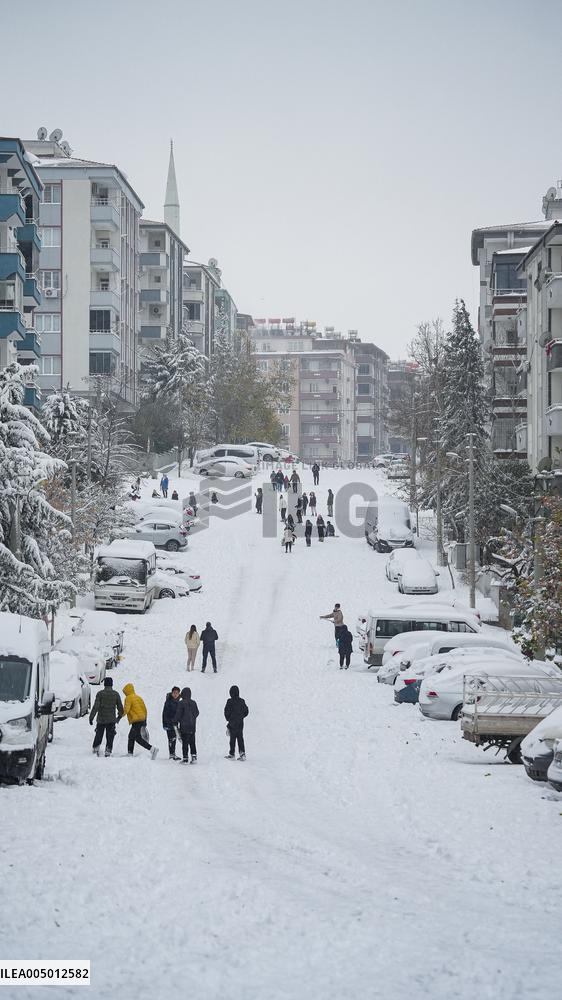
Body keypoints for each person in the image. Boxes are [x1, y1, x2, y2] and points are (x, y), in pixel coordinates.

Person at [121, 683, 159, 758]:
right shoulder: (139, 697)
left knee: (134, 737)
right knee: (134, 737)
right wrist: (145, 721)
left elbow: (126, 709)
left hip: (136, 721)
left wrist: (119, 716)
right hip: (142, 720)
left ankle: (151, 749)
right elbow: (145, 709)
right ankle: (131, 753)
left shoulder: (128, 698)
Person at [89, 676, 123, 757]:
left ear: (104, 684)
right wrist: (118, 718)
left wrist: (91, 717)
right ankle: (108, 750)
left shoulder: (100, 694)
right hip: (111, 720)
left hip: (101, 719)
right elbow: (121, 709)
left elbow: (95, 707)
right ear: (112, 684)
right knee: (110, 736)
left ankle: (96, 747)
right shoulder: (116, 694)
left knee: (99, 734)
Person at [174, 687, 199, 764]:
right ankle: (194, 757)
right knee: (192, 742)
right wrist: (192, 718)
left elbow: (178, 714)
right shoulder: (194, 702)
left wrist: (175, 721)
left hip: (184, 727)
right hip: (192, 726)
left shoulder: (181, 703)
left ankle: (185, 758)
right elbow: (197, 713)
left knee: (185, 743)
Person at [224, 685, 249, 760]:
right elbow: (246, 711)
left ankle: (232, 754)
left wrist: (229, 719)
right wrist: (241, 717)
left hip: (232, 722)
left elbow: (226, 712)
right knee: (240, 738)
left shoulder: (229, 701)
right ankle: (242, 753)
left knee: (232, 738)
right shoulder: (242, 701)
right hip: (240, 723)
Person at [162, 686, 181, 759]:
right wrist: (165, 724)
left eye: (177, 693)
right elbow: (164, 713)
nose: (175, 694)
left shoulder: (178, 702)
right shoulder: (169, 701)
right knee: (171, 738)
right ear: (172, 693)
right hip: (169, 723)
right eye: (174, 693)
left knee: (174, 738)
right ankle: (172, 755)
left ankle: (172, 754)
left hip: (175, 723)